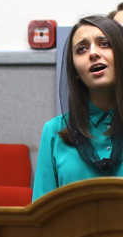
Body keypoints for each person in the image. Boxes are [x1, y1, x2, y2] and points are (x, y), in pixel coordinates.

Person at [33, 15, 123, 200]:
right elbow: (41, 213)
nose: (93, 53)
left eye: (104, 44)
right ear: (75, 72)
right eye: (82, 49)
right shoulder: (54, 131)